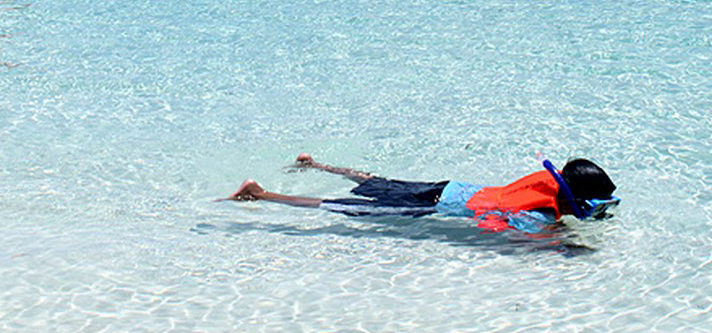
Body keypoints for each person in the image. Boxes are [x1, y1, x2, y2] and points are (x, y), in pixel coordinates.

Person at [227, 153, 618, 233]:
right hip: (436, 206)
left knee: (375, 181)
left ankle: (316, 165)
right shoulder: (545, 214)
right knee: (343, 208)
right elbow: (500, 227)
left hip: (449, 186)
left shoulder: (543, 182)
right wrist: (561, 244)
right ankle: (260, 195)